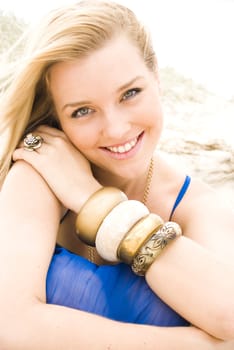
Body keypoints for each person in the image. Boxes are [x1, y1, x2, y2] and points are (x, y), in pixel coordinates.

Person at [0, 0, 234, 348]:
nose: (115, 128)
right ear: (57, 118)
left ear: (157, 79)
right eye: (82, 111)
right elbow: (12, 326)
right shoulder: (39, 173)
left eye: (130, 93)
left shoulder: (198, 207)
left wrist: (92, 200)